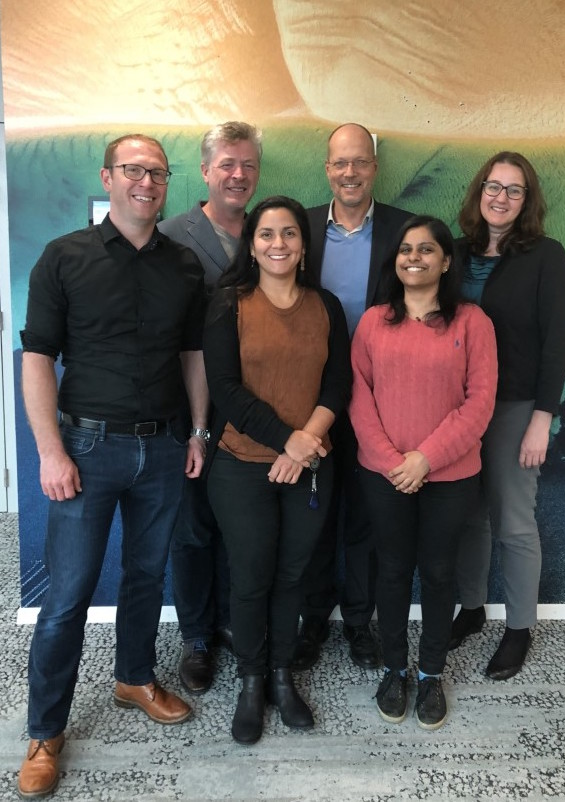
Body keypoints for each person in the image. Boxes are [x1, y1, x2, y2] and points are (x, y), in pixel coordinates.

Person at [17, 134, 207, 798]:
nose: (146, 182)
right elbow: (37, 356)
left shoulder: (183, 267)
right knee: (66, 596)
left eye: (157, 172)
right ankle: (45, 731)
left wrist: (198, 431)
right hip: (85, 451)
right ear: (108, 176)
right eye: (133, 170)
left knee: (145, 577)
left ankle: (133, 678)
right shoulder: (63, 257)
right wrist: (48, 451)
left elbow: (192, 355)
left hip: (161, 448)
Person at [203, 196, 351, 744]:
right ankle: (251, 681)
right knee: (250, 579)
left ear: (303, 244)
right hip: (241, 465)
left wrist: (304, 443)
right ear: (252, 244)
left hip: (311, 465)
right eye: (267, 234)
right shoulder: (228, 304)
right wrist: (287, 441)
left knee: (294, 576)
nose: (278, 244)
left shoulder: (326, 306)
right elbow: (225, 390)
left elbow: (338, 383)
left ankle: (283, 677)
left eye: (289, 234)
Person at [349, 215, 497, 730]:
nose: (414, 257)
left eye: (427, 249)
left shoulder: (472, 322)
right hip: (384, 474)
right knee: (391, 572)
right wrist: (395, 462)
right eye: (406, 249)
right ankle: (394, 669)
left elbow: (479, 405)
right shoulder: (372, 322)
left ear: (446, 261)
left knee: (437, 574)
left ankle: (431, 672)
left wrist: (425, 459)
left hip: (451, 476)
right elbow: (359, 399)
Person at [450, 152, 565, 680]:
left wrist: (543, 418)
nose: (500, 197)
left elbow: (560, 342)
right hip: (457, 409)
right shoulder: (452, 253)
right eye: (492, 186)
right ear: (479, 191)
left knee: (514, 522)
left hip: (516, 406)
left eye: (514, 189)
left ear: (527, 201)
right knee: (468, 516)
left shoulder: (545, 255)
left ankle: (520, 626)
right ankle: (473, 608)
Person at [293, 122, 412, 671]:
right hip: (312, 396)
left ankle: (359, 624)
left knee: (365, 515)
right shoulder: (303, 230)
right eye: (340, 163)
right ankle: (315, 617)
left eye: (360, 162)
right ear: (326, 169)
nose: (350, 172)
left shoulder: (402, 231)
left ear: (374, 168)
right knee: (314, 514)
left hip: (378, 398)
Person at [158, 121, 262, 694]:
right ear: (204, 171)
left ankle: (230, 623)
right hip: (188, 409)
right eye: (227, 163)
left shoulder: (269, 233)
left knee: (241, 526)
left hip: (256, 409)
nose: (238, 174)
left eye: (247, 164)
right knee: (193, 526)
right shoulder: (172, 235)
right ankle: (196, 635)